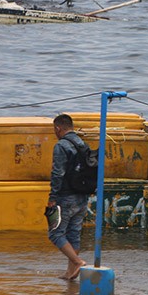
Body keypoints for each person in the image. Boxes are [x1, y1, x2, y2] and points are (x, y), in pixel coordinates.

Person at [47, 114, 89, 280]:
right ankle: (70, 272)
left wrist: (52, 197)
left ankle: (77, 262)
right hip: (82, 195)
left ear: (58, 128)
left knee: (55, 233)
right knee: (74, 234)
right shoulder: (82, 143)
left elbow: (58, 173)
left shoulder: (61, 146)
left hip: (65, 196)